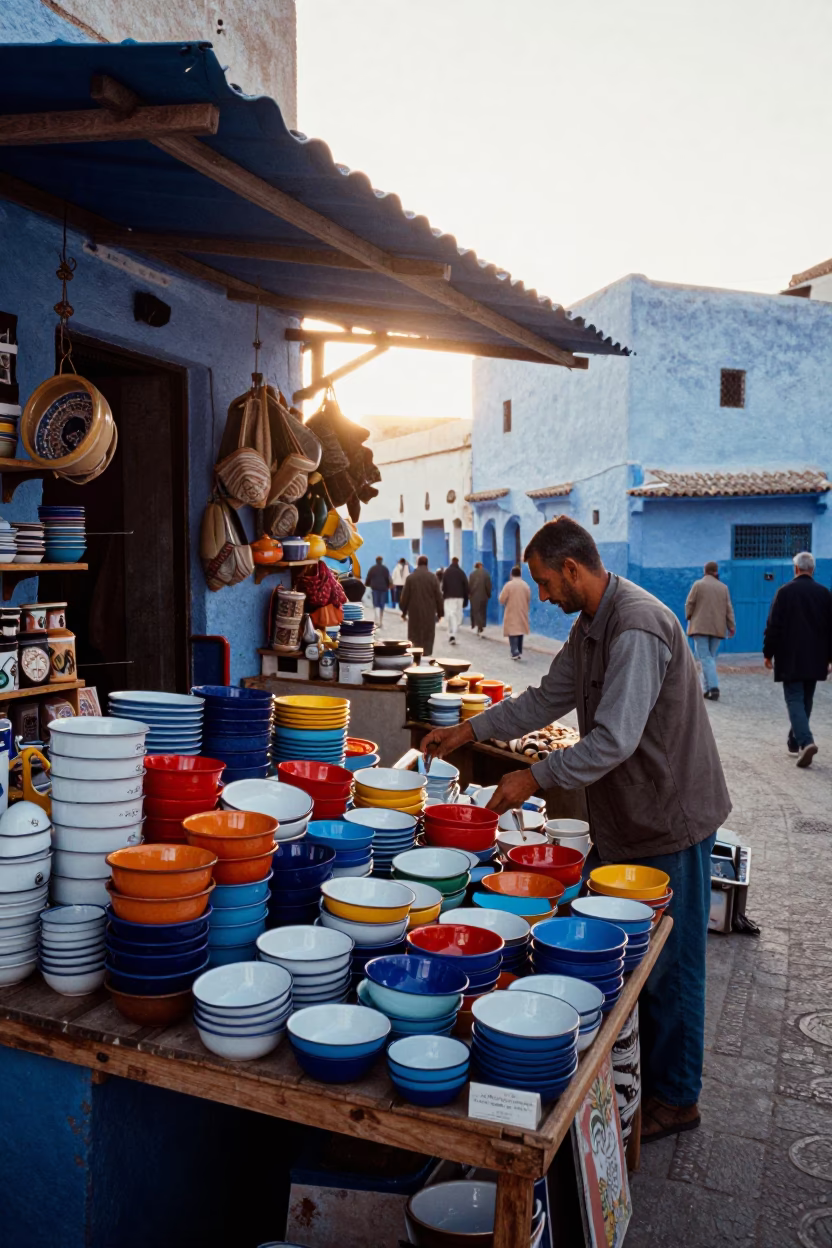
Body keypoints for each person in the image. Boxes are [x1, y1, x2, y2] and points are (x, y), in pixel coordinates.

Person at [420, 516, 731, 1145]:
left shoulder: (637, 625)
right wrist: (470, 731)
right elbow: (544, 699)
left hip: (669, 818)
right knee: (634, 964)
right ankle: (642, 1081)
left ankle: (678, 1098)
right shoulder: (590, 626)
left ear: (572, 568)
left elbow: (614, 737)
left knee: (670, 965)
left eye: (543, 581)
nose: (542, 595)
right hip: (627, 818)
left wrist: (534, 777)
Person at [763, 550, 832, 768]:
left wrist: (768, 653)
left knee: (794, 699)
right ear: (812, 569)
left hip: (790, 657)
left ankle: (806, 741)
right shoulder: (824, 594)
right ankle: (795, 742)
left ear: (796, 569)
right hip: (816, 657)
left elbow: (774, 625)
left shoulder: (784, 592)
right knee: (806, 699)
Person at [685, 561, 736, 700]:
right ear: (716, 571)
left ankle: (713, 687)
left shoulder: (698, 585)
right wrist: (731, 626)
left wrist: (689, 616)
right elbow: (728, 609)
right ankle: (706, 689)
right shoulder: (723, 588)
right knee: (709, 658)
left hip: (700, 627)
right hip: (718, 628)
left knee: (705, 658)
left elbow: (689, 603)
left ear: (705, 571)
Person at [400, 555, 445, 655]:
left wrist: (403, 612)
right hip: (429, 613)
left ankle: (415, 658)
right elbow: (439, 596)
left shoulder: (410, 578)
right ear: (427, 564)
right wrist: (440, 613)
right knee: (427, 636)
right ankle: (426, 658)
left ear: (417, 563)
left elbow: (404, 597)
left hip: (414, 613)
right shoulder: (433, 578)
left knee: (414, 636)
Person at [499, 565, 531, 660]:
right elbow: (528, 598)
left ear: (511, 574)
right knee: (520, 630)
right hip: (522, 610)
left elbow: (501, 599)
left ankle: (514, 651)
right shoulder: (525, 585)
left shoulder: (509, 585)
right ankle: (519, 650)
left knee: (512, 631)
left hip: (511, 611)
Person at [441, 556, 469, 645]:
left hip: (449, 597)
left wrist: (443, 596)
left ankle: (451, 634)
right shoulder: (461, 573)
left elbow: (443, 586)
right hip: (459, 597)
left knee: (450, 615)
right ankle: (453, 633)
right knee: (457, 615)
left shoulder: (447, 572)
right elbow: (466, 587)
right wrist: (466, 600)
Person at [365, 556, 391, 626]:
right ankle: (381, 620)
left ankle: (377, 620)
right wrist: (388, 586)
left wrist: (367, 584)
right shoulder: (385, 569)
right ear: (382, 561)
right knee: (382, 604)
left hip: (375, 588)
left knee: (376, 604)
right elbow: (388, 579)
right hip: (383, 588)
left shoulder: (372, 569)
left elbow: (368, 577)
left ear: (376, 561)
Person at [468, 561, 492, 636]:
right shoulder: (486, 574)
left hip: (474, 597)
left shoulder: (472, 575)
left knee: (476, 611)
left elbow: (469, 586)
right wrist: (488, 594)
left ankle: (479, 625)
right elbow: (489, 586)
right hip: (484, 596)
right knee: (483, 611)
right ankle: (481, 625)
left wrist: (469, 595)